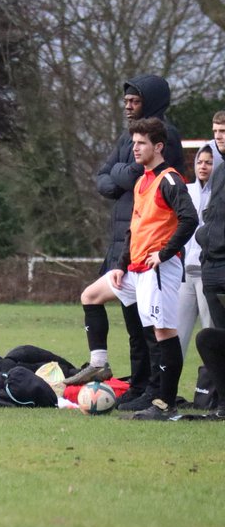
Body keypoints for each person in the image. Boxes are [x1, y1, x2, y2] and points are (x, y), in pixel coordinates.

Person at [72, 118, 197, 420]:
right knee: (91, 295)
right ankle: (99, 363)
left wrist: (165, 253)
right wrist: (120, 265)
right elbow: (134, 228)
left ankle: (165, 403)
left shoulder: (169, 180)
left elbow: (190, 219)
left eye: (141, 143)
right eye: (134, 143)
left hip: (158, 270)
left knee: (163, 332)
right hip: (135, 269)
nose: (135, 148)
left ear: (158, 146)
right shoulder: (142, 181)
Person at [93, 75, 184, 410]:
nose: (129, 106)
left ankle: (158, 392)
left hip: (152, 251)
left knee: (154, 328)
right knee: (131, 322)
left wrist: (166, 252)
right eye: (126, 101)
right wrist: (120, 175)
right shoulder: (128, 136)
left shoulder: (164, 138)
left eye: (135, 101)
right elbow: (102, 179)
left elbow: (133, 176)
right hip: (125, 243)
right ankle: (139, 384)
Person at [177, 145, 215, 355]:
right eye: (200, 162)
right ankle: (170, 377)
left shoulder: (219, 193)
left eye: (208, 162)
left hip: (207, 272)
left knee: (209, 331)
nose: (203, 166)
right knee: (177, 333)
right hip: (184, 273)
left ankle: (211, 376)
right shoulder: (187, 191)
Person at [198, 111, 225, 329]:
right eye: (215, 131)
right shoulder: (219, 171)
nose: (218, 136)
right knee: (217, 336)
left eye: (223, 131)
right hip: (211, 265)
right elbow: (211, 213)